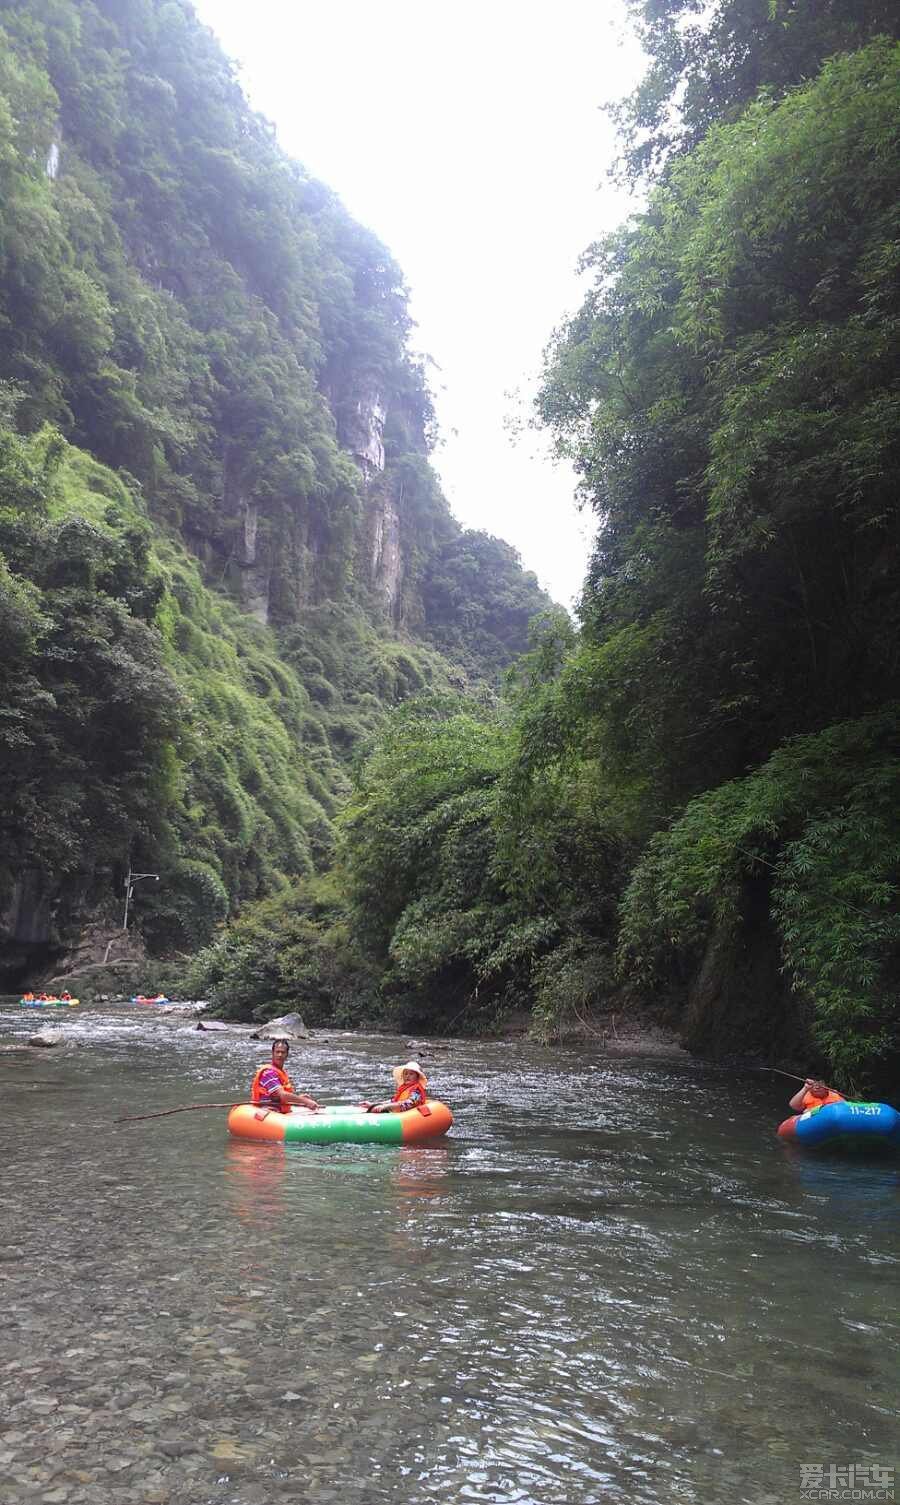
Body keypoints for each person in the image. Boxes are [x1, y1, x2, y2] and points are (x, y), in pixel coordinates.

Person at [250, 1038, 319, 1114]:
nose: (280, 1055)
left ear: (287, 1055)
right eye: (277, 1052)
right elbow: (282, 1095)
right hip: (268, 1112)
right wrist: (305, 1101)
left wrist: (300, 1099)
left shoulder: (281, 1072)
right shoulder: (268, 1072)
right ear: (272, 1053)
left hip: (280, 1112)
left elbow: (282, 1097)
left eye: (283, 1052)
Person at [362, 1061, 429, 1115]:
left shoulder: (416, 1090)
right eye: (406, 1074)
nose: (407, 1076)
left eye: (411, 1074)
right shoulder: (404, 1088)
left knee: (381, 1110)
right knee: (374, 1109)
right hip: (399, 1113)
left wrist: (387, 1106)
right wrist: (372, 1104)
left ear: (417, 1077)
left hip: (408, 1116)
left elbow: (409, 1104)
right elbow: (393, 1101)